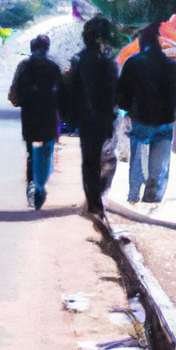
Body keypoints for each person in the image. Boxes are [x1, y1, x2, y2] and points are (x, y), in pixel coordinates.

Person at [115, 22, 176, 204]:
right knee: (159, 162)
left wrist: (126, 109)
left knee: (138, 159)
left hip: (141, 118)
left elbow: (123, 92)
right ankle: (153, 192)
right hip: (166, 120)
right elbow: (174, 95)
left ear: (142, 43)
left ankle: (134, 194)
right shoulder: (171, 66)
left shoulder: (134, 63)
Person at [8, 34, 66, 210]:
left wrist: (22, 100)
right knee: (47, 151)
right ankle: (41, 186)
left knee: (31, 153)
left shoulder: (24, 66)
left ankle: (32, 185)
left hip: (30, 117)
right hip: (48, 117)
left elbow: (14, 94)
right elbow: (62, 95)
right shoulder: (54, 67)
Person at [69, 16, 119, 216]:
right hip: (104, 117)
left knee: (89, 160)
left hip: (86, 118)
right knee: (104, 157)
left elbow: (73, 92)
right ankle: (97, 197)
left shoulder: (79, 60)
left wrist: (71, 119)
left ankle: (94, 199)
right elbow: (113, 92)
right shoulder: (108, 63)